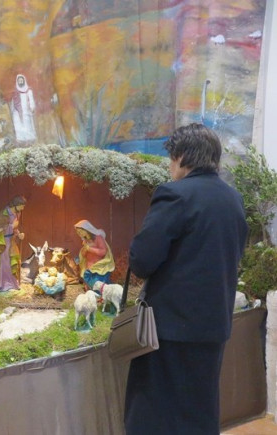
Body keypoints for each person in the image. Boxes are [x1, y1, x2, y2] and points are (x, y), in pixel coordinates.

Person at [125, 123, 248, 434]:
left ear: (181, 157)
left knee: (154, 413)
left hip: (169, 331)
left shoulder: (174, 194)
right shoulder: (232, 199)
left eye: (171, 158)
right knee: (200, 410)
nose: (170, 166)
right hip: (214, 325)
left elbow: (142, 260)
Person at [0, 196, 26, 292]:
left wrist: (19, 234)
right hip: (2, 242)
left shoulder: (17, 213)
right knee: (4, 263)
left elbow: (15, 228)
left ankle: (11, 283)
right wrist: (11, 226)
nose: (23, 208)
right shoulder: (4, 213)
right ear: (17, 204)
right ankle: (1, 284)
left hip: (11, 241)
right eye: (22, 206)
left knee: (11, 262)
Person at [74, 220, 115, 291]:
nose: (79, 234)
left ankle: (98, 292)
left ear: (86, 230)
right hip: (88, 266)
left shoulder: (98, 238)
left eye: (80, 231)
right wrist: (84, 251)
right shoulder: (85, 241)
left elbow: (103, 252)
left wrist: (89, 249)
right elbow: (84, 254)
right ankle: (90, 290)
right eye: (78, 232)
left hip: (98, 266)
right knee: (88, 281)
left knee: (97, 284)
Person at [10, 74, 36, 143]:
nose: (20, 82)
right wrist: (12, 109)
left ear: (24, 81)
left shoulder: (28, 90)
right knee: (18, 124)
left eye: (22, 80)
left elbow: (31, 99)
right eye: (19, 81)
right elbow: (13, 101)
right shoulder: (15, 91)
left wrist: (32, 107)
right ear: (17, 81)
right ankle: (21, 139)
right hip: (17, 111)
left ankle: (29, 138)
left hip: (26, 110)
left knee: (27, 124)